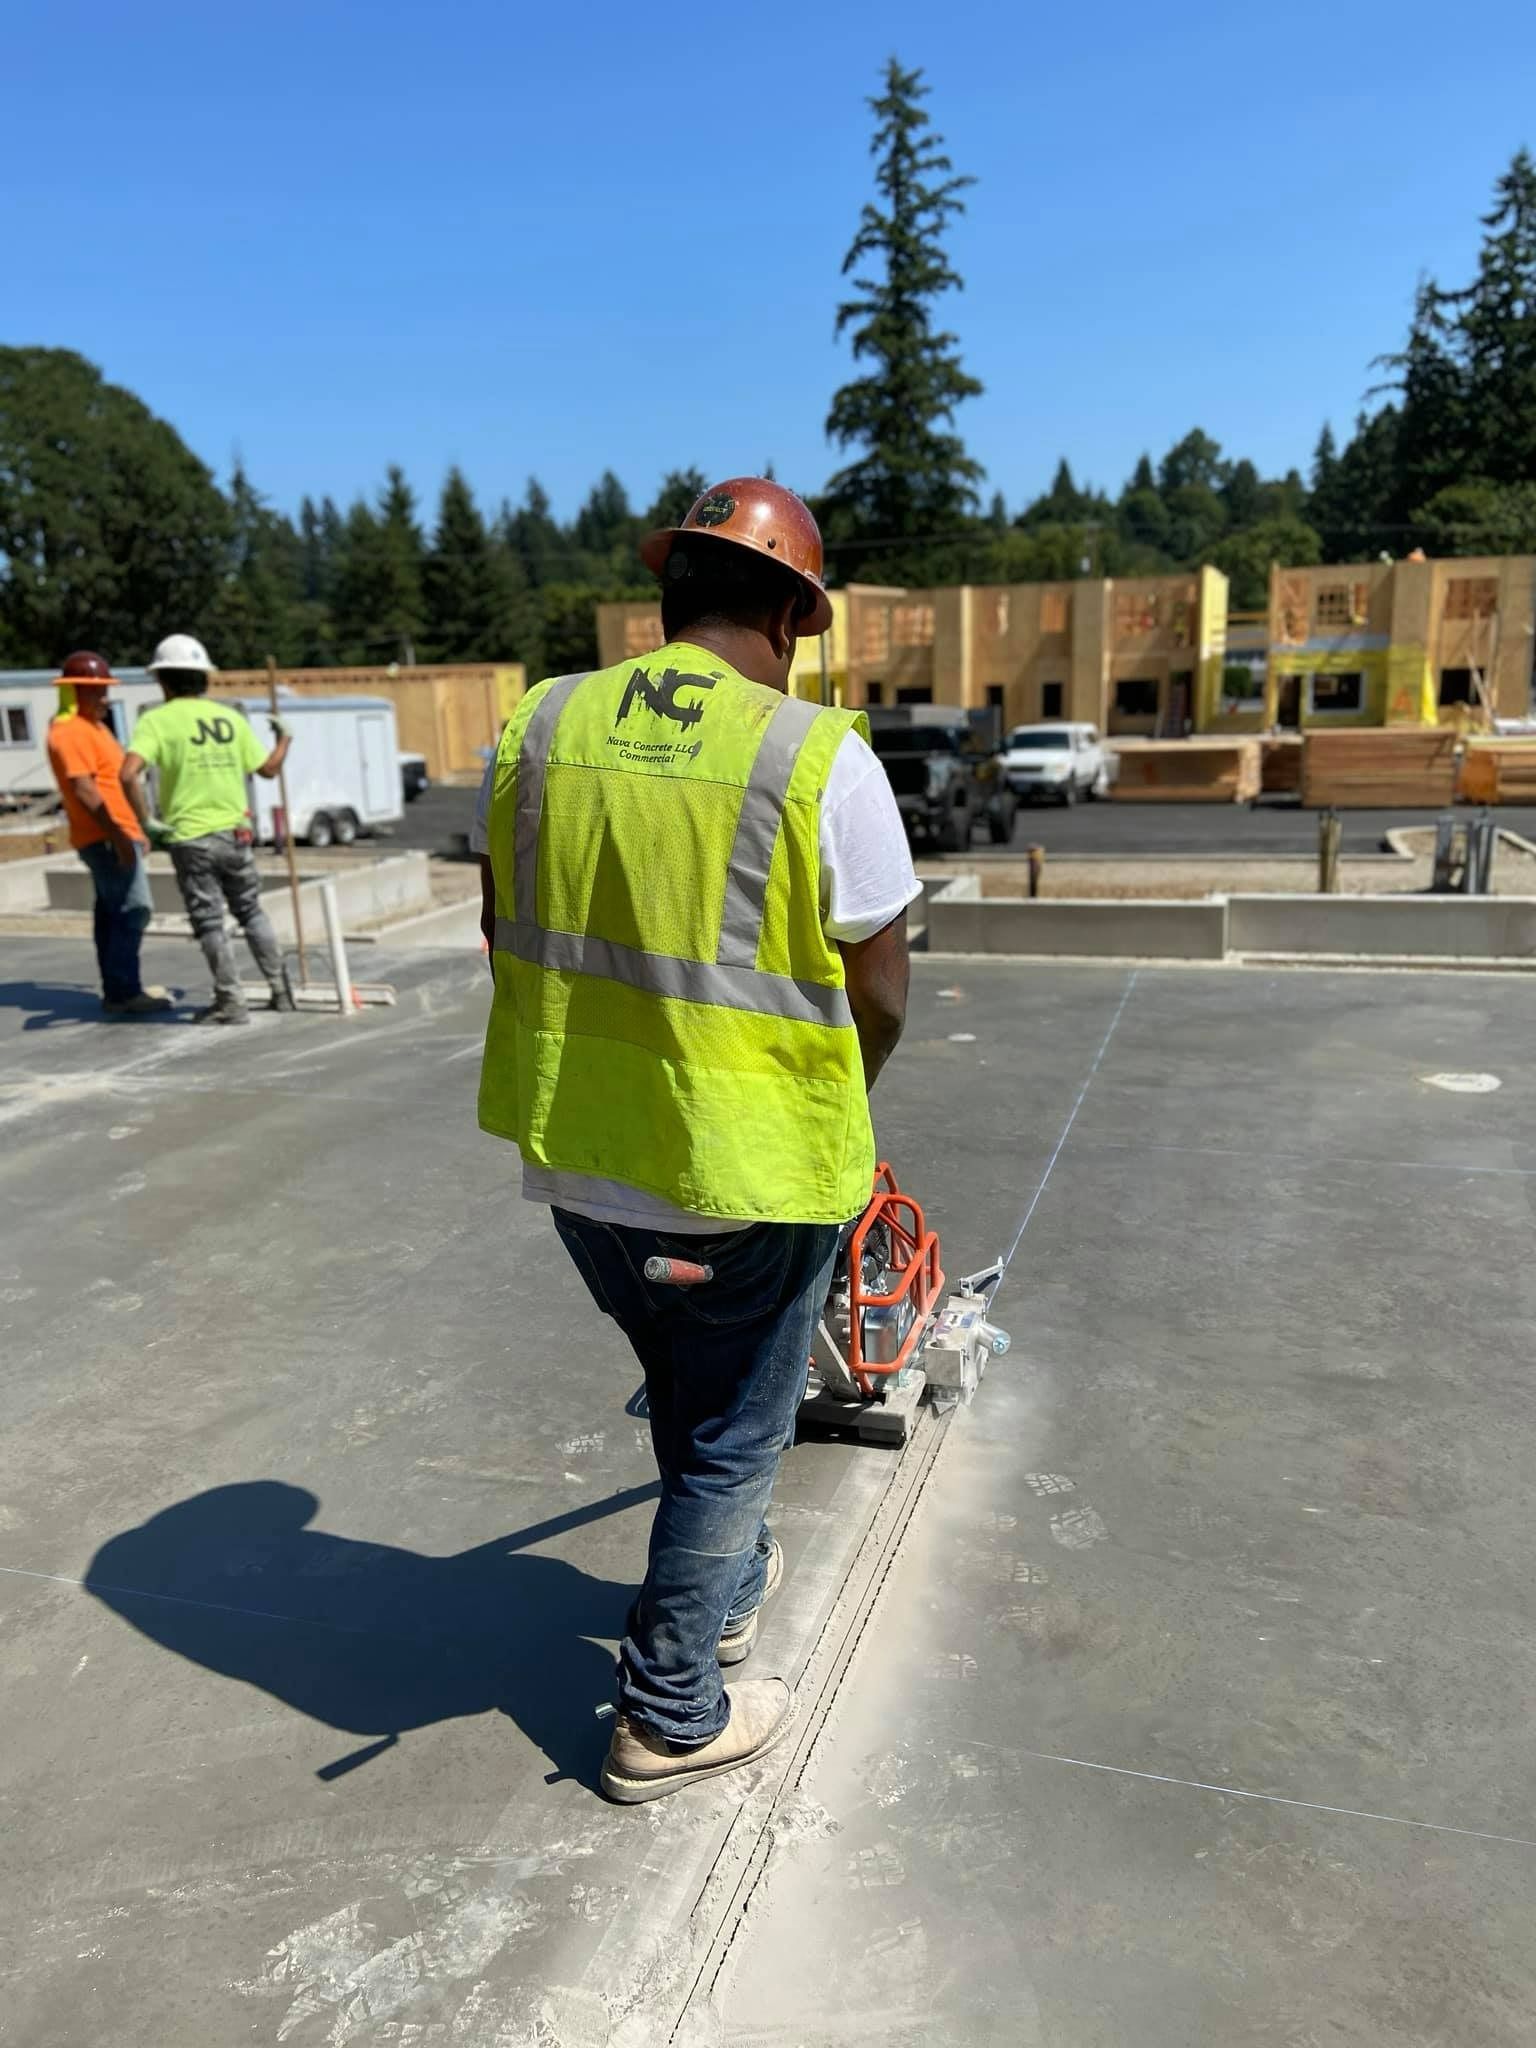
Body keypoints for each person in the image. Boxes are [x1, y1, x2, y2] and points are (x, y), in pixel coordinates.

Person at [474, 478, 917, 1801]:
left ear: (667, 596)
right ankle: (671, 1711)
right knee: (732, 1438)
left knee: (693, 1393)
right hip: (749, 1179)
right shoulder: (815, 754)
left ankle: (715, 1591)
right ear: (794, 615)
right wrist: (843, 1104)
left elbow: (503, 928)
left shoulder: (542, 723)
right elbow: (881, 992)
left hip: (580, 1164)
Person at [122, 633, 295, 1026]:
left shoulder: (156, 720)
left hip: (191, 838)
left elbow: (128, 774)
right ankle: (282, 991)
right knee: (251, 910)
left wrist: (146, 821)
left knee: (210, 921)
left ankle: (231, 1002)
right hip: (235, 833)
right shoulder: (230, 719)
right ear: (204, 679)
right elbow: (268, 769)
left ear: (164, 681)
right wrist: (285, 739)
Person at [45, 652, 170, 1018]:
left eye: (104, 691)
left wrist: (135, 828)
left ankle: (119, 988)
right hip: (103, 837)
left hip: (115, 833)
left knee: (111, 913)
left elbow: (111, 782)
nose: (103, 699)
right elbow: (85, 790)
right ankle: (124, 992)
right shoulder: (68, 731)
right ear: (73, 691)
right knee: (134, 910)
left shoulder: (95, 728)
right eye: (94, 692)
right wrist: (118, 836)